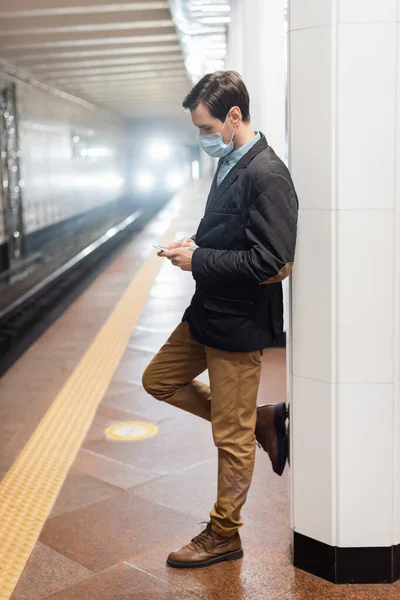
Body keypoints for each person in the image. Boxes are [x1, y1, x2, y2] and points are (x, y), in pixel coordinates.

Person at [142, 71, 298, 569]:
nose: (202, 137)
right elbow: (234, 237)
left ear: (234, 116)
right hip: (207, 312)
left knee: (229, 438)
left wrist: (200, 261)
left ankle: (224, 533)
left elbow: (273, 261)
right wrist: (197, 246)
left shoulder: (266, 173)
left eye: (206, 127)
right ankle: (261, 419)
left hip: (238, 324)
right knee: (158, 380)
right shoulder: (231, 162)